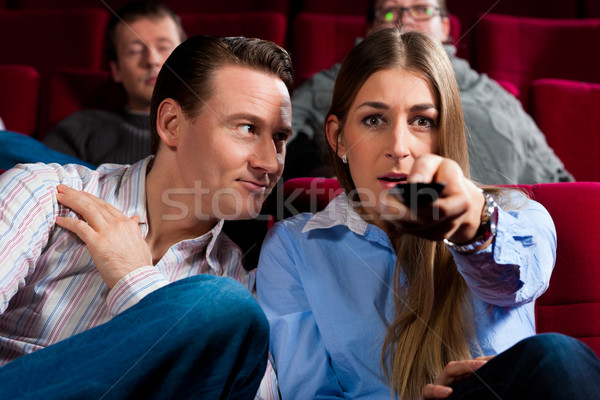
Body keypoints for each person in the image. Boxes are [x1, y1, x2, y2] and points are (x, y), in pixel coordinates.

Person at [257, 29, 600, 399]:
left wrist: (471, 226)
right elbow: (309, 393)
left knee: (558, 358)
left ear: (445, 131)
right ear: (338, 137)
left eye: (422, 121)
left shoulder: (519, 214)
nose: (399, 148)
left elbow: (511, 280)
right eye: (374, 120)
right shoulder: (292, 246)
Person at [0, 34, 293, 399]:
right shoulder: (43, 192)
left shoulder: (241, 282)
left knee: (226, 308)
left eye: (279, 137)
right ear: (171, 124)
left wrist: (135, 281)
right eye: (247, 128)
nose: (269, 161)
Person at [286, 0, 574, 184]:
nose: (405, 20)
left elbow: (556, 179)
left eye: (422, 10)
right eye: (389, 11)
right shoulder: (328, 84)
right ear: (371, 29)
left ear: (446, 27)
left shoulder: (494, 95)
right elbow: (285, 135)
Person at [43, 1, 186, 166]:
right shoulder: (79, 129)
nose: (152, 60)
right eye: (135, 51)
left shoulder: (210, 124)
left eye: (163, 47)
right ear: (116, 69)